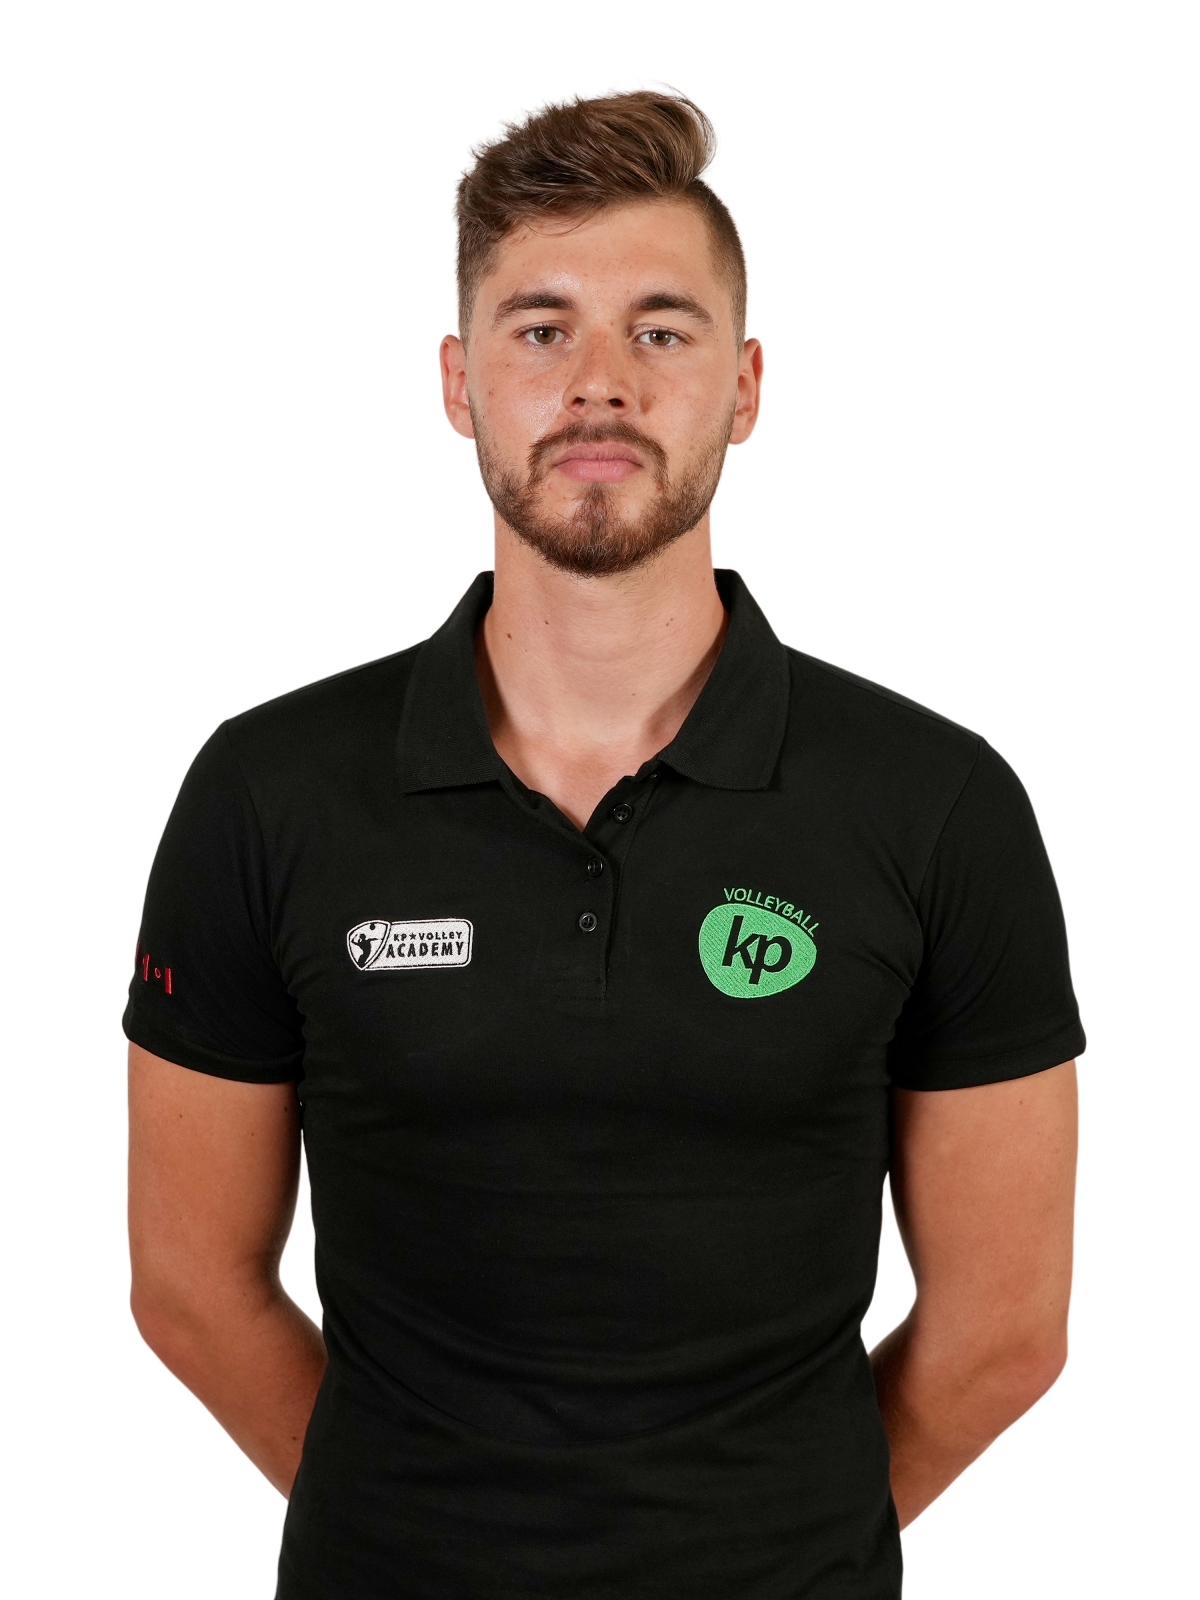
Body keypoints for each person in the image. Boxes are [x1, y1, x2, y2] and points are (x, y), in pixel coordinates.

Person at [125, 92, 1083, 1600]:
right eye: (541, 328)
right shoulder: (269, 791)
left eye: (660, 330)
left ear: (744, 387)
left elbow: (1007, 1333)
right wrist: (421, 1540)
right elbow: (189, 1288)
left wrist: (767, 1550)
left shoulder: (936, 805)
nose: (599, 383)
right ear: (460, 384)